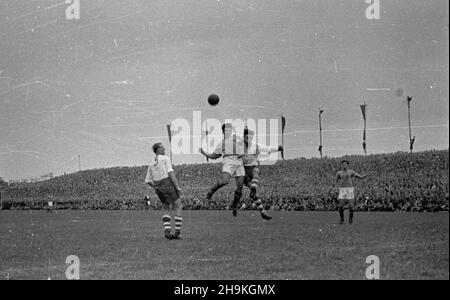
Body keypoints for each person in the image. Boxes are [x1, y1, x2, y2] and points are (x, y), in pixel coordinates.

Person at [199, 123, 245, 217]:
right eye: (226, 130)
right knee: (225, 181)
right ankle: (211, 191)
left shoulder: (238, 139)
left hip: (239, 162)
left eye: (230, 130)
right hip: (228, 161)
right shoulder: (221, 143)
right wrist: (204, 152)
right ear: (223, 131)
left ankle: (234, 205)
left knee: (240, 187)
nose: (228, 131)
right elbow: (214, 156)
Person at [241, 128, 283, 220]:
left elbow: (267, 149)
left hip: (252, 168)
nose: (248, 140)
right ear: (243, 137)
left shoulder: (255, 146)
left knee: (256, 171)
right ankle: (263, 212)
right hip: (244, 172)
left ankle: (253, 189)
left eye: (250, 138)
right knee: (255, 195)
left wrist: (277, 148)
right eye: (246, 137)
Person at [145, 143, 183, 240]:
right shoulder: (165, 158)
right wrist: (177, 187)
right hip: (167, 183)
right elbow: (170, 173)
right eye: (163, 147)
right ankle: (177, 233)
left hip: (158, 186)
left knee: (166, 208)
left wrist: (156, 187)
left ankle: (167, 232)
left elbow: (148, 181)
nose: (164, 148)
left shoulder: (151, 163)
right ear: (158, 149)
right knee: (178, 205)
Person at [335, 160, 367, 224]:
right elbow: (336, 181)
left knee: (351, 205)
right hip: (342, 190)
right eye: (343, 164)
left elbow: (359, 176)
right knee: (340, 206)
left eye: (345, 164)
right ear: (341, 165)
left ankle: (350, 220)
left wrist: (363, 176)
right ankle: (342, 219)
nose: (344, 165)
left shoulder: (351, 172)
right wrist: (336, 188)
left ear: (347, 165)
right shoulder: (339, 173)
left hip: (349, 189)